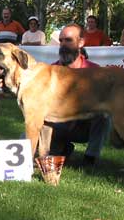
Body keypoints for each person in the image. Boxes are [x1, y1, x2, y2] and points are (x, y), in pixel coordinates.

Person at [41, 23, 112, 166]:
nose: (63, 44)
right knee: (29, 132)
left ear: (81, 42)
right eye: (61, 41)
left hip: (84, 126)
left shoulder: (95, 71)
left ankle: (91, 157)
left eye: (68, 40)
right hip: (57, 125)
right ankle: (62, 148)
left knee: (104, 114)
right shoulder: (51, 71)